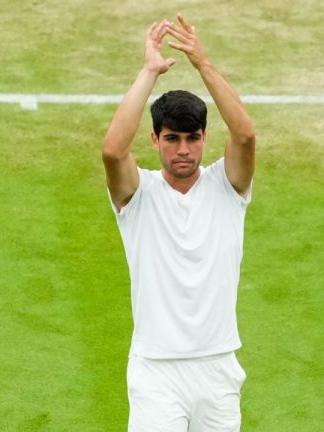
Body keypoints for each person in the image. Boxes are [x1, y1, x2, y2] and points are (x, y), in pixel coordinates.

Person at [102, 13, 255, 432]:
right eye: (172, 138)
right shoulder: (137, 194)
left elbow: (245, 136)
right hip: (156, 372)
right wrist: (149, 71)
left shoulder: (229, 186)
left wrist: (204, 64)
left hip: (217, 367)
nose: (183, 149)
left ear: (205, 138)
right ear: (154, 141)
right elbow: (114, 151)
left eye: (192, 138)